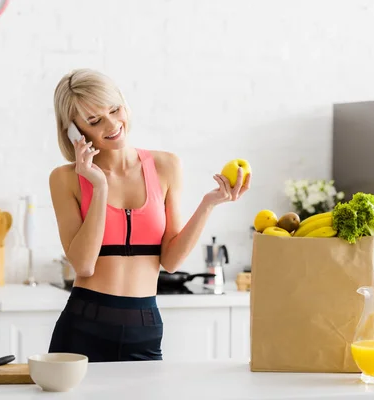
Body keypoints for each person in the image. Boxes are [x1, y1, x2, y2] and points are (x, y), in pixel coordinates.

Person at [47, 68, 251, 362]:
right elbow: (83, 264)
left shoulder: (166, 165)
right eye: (95, 120)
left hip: (144, 327)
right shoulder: (65, 178)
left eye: (115, 109)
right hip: (82, 327)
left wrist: (209, 203)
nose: (113, 124)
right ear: (74, 130)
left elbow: (170, 261)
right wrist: (99, 186)